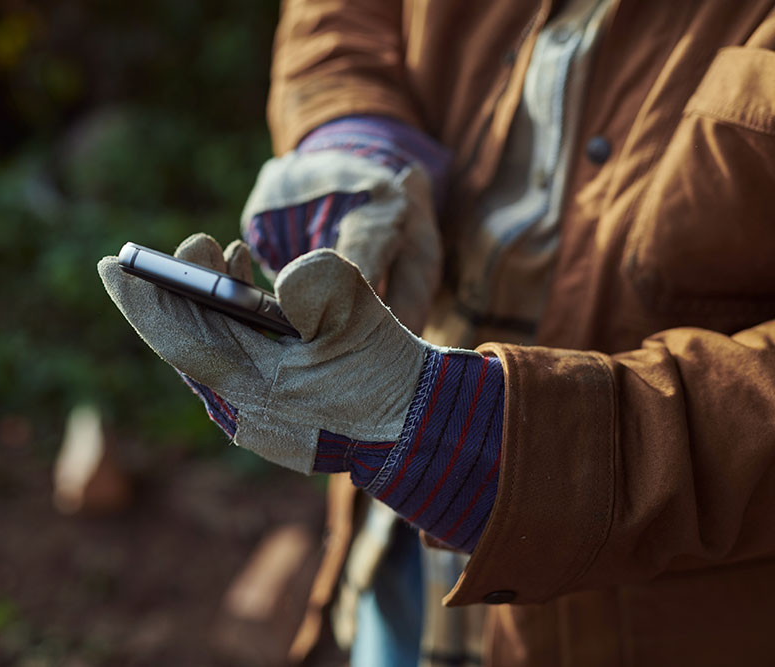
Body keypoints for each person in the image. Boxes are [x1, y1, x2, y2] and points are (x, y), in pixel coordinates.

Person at [100, 1, 775, 665]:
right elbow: (339, 17)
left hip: (661, 617)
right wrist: (355, 139)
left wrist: (487, 437)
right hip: (395, 536)